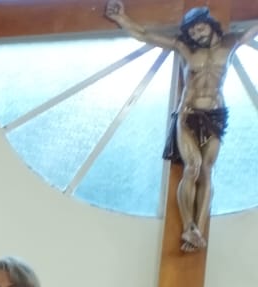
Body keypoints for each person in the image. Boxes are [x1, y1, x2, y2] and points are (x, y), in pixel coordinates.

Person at [105, 2, 258, 251]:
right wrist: (122, 18)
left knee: (207, 170)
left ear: (209, 25)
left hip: (216, 115)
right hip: (188, 114)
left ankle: (198, 229)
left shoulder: (231, 43)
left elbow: (254, 29)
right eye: (193, 32)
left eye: (199, 28)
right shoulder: (184, 48)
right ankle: (188, 226)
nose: (196, 34)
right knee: (193, 167)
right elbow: (144, 35)